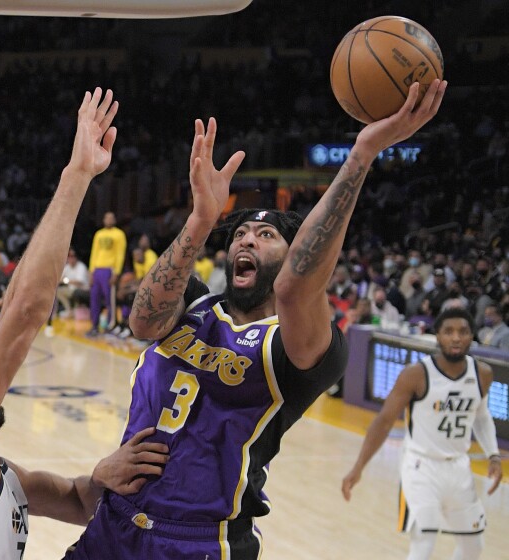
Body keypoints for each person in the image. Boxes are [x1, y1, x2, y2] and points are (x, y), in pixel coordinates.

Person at [65, 79, 447, 559]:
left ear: (292, 254)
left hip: (201, 543)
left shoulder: (297, 348)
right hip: (113, 524)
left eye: (266, 234)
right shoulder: (196, 304)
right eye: (241, 233)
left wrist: (362, 153)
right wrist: (203, 218)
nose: (246, 239)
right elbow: (142, 323)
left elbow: (295, 286)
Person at [0, 89, 168, 559]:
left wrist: (102, 474)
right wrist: (77, 174)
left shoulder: (5, 476)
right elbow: (24, 315)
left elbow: (83, 501)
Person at [342, 308, 503, 560]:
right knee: (423, 545)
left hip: (459, 468)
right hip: (420, 467)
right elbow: (383, 422)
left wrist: (493, 454)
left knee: (474, 546)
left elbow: (481, 417)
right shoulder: (416, 375)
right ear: (437, 336)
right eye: (448, 331)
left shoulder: (482, 374)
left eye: (463, 332)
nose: (456, 337)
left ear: (472, 336)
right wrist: (358, 467)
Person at [87, 211, 126, 336]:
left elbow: (120, 254)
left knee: (110, 300)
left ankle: (111, 325)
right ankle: (94, 325)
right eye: (106, 218)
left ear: (114, 220)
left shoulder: (119, 234)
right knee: (94, 299)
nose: (109, 220)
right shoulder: (98, 234)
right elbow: (94, 253)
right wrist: (91, 272)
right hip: (97, 269)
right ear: (103, 220)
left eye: (111, 217)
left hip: (110, 270)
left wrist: (117, 273)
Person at [57, 247, 90, 318]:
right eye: (68, 256)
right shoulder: (67, 267)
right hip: (72, 290)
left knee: (75, 292)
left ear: (76, 257)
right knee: (57, 291)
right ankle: (69, 310)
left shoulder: (81, 266)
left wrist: (66, 281)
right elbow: (59, 279)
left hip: (82, 290)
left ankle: (71, 311)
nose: (70, 258)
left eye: (72, 256)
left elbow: (79, 282)